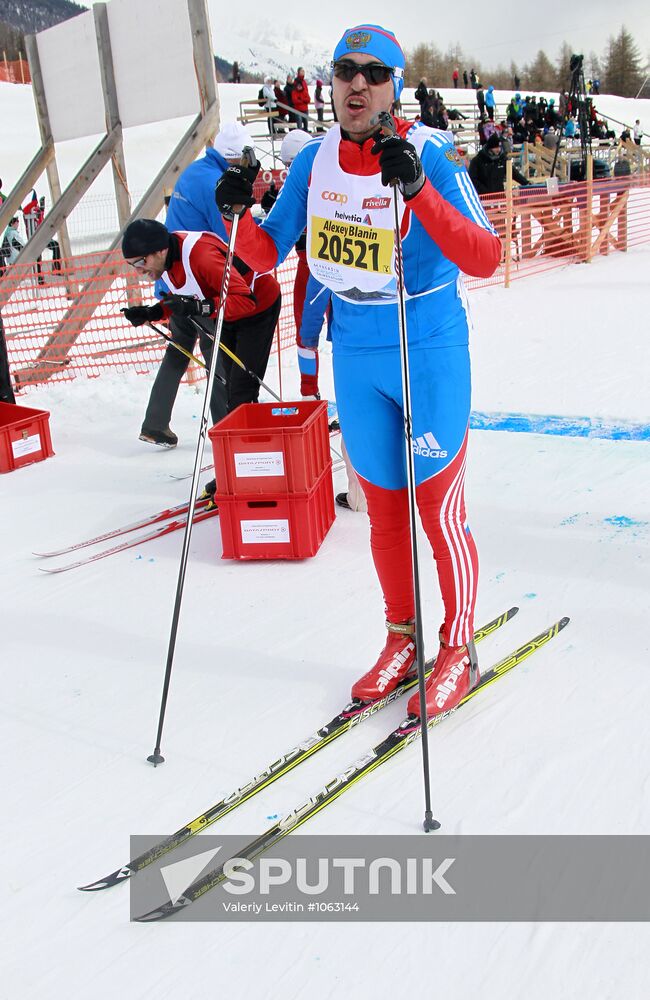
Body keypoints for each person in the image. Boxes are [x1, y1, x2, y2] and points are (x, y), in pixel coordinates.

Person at [214, 23, 501, 719]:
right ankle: (401, 638)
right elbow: (264, 253)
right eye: (346, 71)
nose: (357, 84)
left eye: (374, 73)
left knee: (437, 510)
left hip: (425, 344)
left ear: (395, 85)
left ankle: (458, 646)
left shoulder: (429, 152)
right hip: (359, 350)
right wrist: (235, 212)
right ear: (331, 82)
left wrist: (418, 192)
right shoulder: (315, 162)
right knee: (383, 514)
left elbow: (486, 256)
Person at [137, 122, 255, 447]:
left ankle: (156, 421)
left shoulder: (196, 171)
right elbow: (232, 235)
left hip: (177, 279)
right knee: (217, 357)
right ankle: (227, 434)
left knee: (179, 348)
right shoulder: (215, 182)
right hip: (200, 282)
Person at [121, 219, 281, 439]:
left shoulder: (201, 256)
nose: (139, 271)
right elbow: (182, 295)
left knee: (241, 389)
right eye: (132, 265)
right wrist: (152, 313)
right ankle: (236, 459)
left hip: (258, 308)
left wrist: (198, 307)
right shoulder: (164, 262)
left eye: (140, 262)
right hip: (227, 314)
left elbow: (246, 300)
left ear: (159, 250)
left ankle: (246, 460)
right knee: (228, 387)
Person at [292, 67, 311, 131]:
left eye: (304, 71)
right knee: (299, 120)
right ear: (299, 72)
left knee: (305, 120)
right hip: (298, 107)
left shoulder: (304, 82)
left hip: (305, 105)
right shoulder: (296, 81)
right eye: (302, 71)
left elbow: (307, 95)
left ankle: (306, 130)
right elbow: (295, 96)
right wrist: (301, 100)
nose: (303, 72)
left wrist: (303, 99)